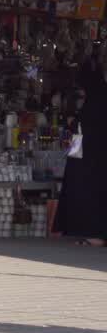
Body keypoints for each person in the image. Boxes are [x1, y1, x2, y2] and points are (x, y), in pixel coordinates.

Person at [54, 54, 107, 247]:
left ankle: (94, 236)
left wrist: (72, 123)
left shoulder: (92, 105)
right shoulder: (100, 100)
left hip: (88, 162)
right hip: (99, 161)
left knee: (90, 196)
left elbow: (81, 130)